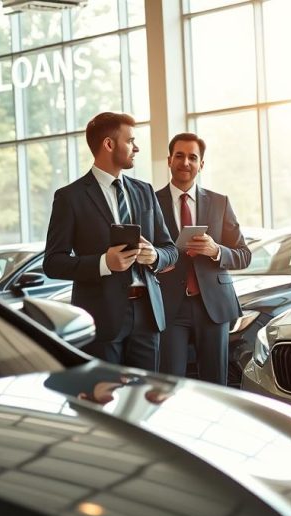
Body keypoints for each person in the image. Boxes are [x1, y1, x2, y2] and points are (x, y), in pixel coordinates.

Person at [44, 112, 177, 370]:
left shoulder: (145, 191)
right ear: (108, 144)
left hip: (148, 315)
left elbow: (170, 249)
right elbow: (53, 263)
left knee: (146, 393)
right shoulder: (70, 197)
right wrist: (104, 263)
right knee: (106, 392)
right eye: (130, 141)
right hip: (101, 318)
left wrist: (155, 256)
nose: (136, 148)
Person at [155, 133, 251, 385]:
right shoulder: (151, 202)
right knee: (169, 384)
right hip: (169, 307)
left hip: (213, 306)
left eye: (192, 157)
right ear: (169, 160)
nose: (185, 162)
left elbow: (244, 255)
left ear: (201, 164)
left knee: (215, 382)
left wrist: (216, 250)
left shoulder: (220, 203)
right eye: (179, 156)